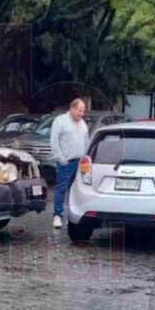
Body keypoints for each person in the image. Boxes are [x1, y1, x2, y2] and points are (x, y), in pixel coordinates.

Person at [50, 98, 89, 229]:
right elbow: (54, 142)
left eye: (83, 111)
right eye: (80, 111)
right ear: (72, 108)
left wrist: (85, 159)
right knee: (61, 189)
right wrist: (61, 159)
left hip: (80, 164)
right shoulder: (60, 121)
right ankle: (57, 215)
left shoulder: (83, 124)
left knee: (76, 191)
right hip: (66, 162)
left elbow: (86, 142)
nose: (82, 114)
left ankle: (72, 216)